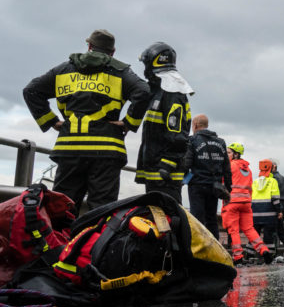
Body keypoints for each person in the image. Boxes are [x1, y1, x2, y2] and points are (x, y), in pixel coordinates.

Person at [23, 29, 150, 214]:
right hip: (106, 151)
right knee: (102, 211)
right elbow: (144, 92)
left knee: (62, 210)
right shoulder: (120, 72)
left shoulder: (63, 70)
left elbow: (31, 91)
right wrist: (128, 123)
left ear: (89, 46)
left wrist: (52, 121)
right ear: (112, 52)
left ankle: (63, 243)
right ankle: (94, 243)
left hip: (69, 149)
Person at [134, 42, 193, 202]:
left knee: (169, 217)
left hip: (165, 173)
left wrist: (167, 165)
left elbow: (178, 134)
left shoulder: (172, 92)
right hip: (156, 170)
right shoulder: (159, 92)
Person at [181, 114, 231, 238]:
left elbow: (186, 163)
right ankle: (214, 252)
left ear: (196, 125)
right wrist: (228, 188)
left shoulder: (192, 140)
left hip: (197, 185)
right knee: (212, 220)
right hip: (215, 187)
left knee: (197, 220)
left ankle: (197, 252)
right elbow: (227, 168)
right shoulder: (221, 142)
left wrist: (182, 179)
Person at [222, 143, 273, 264]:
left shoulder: (230, 166)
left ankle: (238, 256)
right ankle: (263, 250)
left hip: (232, 202)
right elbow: (250, 187)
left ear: (236, 154)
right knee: (249, 229)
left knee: (234, 230)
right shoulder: (247, 169)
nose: (226, 155)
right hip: (246, 203)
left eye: (228, 152)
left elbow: (222, 181)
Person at [252, 159, 282, 261]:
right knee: (268, 235)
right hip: (269, 214)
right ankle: (268, 256)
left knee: (255, 234)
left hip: (255, 213)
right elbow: (275, 199)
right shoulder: (273, 181)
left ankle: (252, 255)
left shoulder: (255, 181)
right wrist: (279, 211)